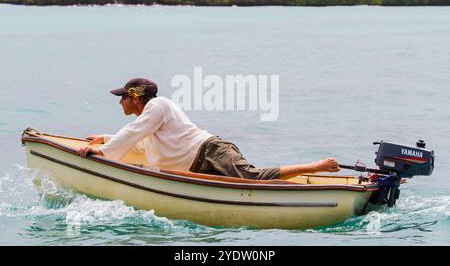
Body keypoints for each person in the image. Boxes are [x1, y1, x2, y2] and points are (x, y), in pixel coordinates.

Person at [79, 78, 340, 180]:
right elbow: (138, 142)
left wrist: (105, 152)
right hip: (198, 164)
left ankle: (315, 166)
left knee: (254, 178)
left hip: (210, 151)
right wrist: (104, 139)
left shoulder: (158, 105)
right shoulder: (150, 121)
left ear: (136, 97)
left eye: (122, 96)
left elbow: (134, 133)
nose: (119, 101)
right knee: (253, 180)